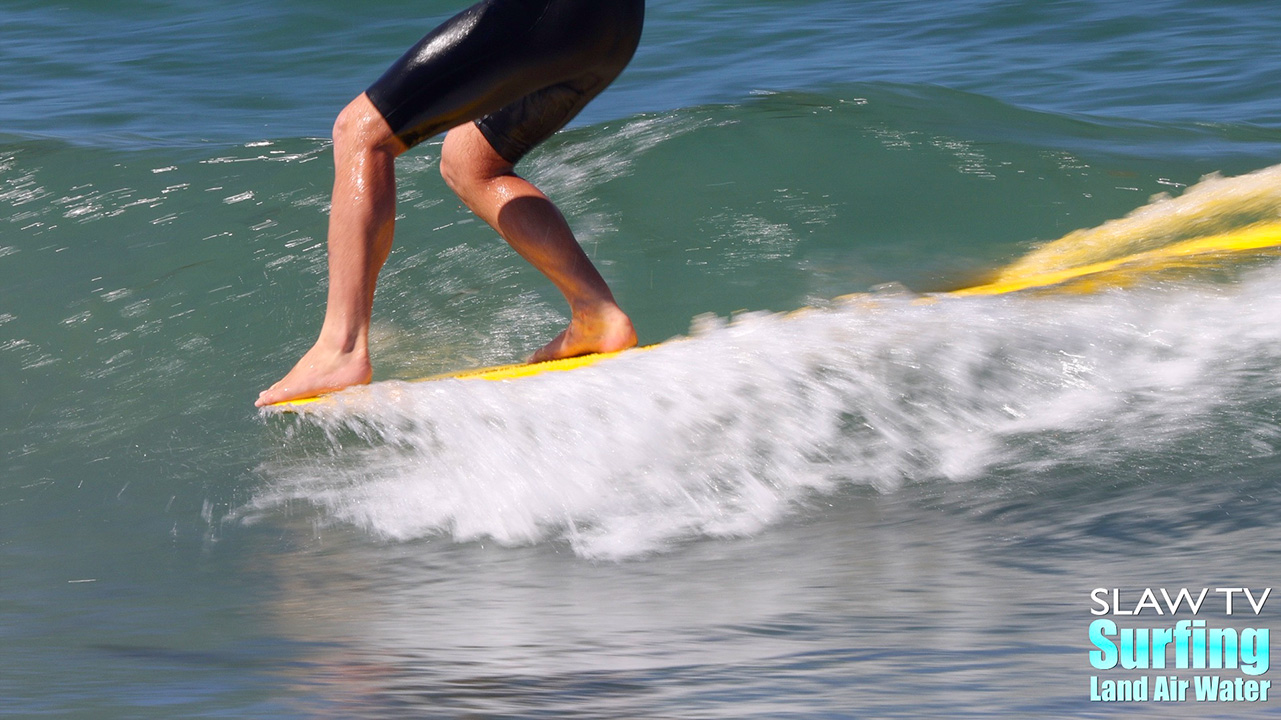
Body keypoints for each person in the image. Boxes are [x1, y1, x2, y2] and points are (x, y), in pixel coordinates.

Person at [256, 0, 644, 407]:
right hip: (616, 26)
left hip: (549, 14)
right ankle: (596, 314)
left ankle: (342, 348)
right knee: (470, 162)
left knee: (359, 132)